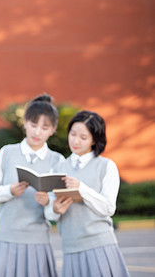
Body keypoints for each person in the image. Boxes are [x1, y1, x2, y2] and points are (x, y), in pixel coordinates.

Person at [0, 94, 64, 277]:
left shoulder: (58, 161)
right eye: (34, 125)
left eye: (44, 127)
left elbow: (58, 209)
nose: (37, 133)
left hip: (38, 240)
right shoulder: (7, 153)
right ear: (25, 123)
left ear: (53, 129)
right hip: (5, 237)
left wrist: (48, 202)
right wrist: (9, 190)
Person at [46, 110, 130, 277]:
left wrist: (81, 189)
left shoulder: (106, 166)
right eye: (73, 134)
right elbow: (49, 213)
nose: (75, 141)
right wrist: (55, 209)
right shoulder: (58, 169)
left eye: (83, 137)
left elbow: (108, 208)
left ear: (94, 140)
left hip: (100, 245)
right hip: (70, 247)